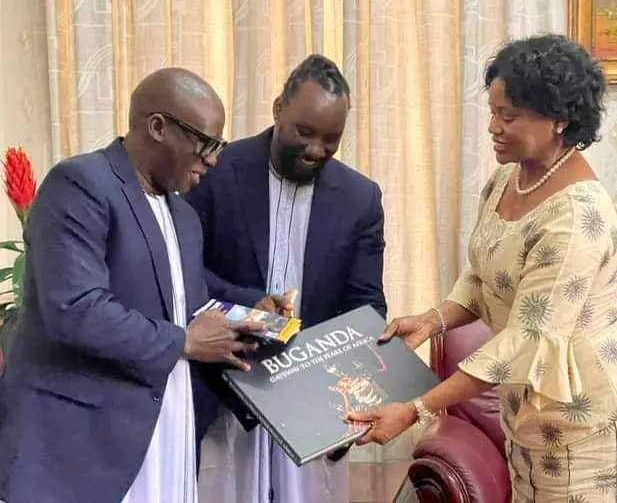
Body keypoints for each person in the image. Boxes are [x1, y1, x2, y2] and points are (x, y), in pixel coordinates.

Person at [348, 35, 617, 502]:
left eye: (509, 116)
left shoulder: (577, 218)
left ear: (559, 119)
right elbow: (484, 274)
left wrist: (415, 409)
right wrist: (433, 320)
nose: (493, 127)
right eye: (493, 111)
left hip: (596, 426)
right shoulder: (508, 178)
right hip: (532, 420)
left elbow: (527, 340)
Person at [0, 68, 268, 503]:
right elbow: (76, 308)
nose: (213, 160)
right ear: (158, 126)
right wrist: (184, 340)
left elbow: (186, 303)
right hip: (82, 449)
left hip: (166, 434)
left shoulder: (184, 217)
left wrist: (258, 316)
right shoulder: (81, 185)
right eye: (207, 143)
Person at [186, 54, 387, 503]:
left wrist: (353, 397)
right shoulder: (217, 171)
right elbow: (182, 269)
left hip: (311, 402)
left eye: (331, 139)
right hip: (226, 393)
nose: (316, 149)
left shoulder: (360, 198)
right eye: (304, 132)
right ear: (278, 109)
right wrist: (248, 302)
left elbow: (367, 305)